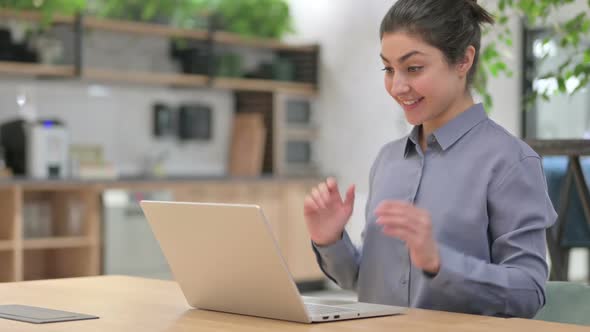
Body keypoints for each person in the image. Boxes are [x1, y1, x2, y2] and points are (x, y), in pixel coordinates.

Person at [303, 0, 557, 318]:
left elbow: (529, 292)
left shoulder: (510, 162)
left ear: (464, 60)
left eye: (414, 68)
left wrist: (440, 262)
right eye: (388, 69)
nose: (397, 86)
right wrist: (330, 240)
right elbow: (366, 280)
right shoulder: (389, 159)